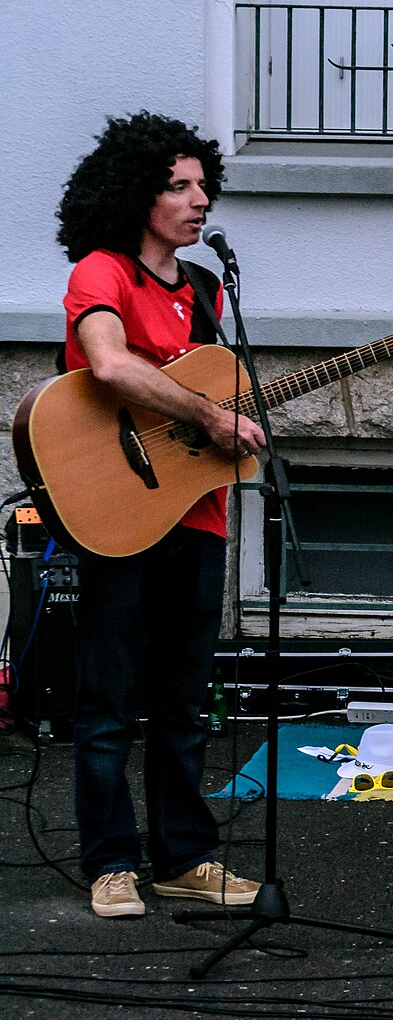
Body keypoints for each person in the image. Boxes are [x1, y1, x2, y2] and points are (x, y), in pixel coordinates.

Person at [55, 112, 265, 918]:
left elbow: (219, 404)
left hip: (195, 515)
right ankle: (111, 863)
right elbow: (108, 364)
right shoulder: (101, 273)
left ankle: (184, 857)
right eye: (179, 186)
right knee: (108, 700)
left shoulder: (209, 293)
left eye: (203, 185)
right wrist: (210, 418)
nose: (199, 200)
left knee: (184, 699)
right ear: (137, 194)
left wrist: (229, 421)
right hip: (109, 509)